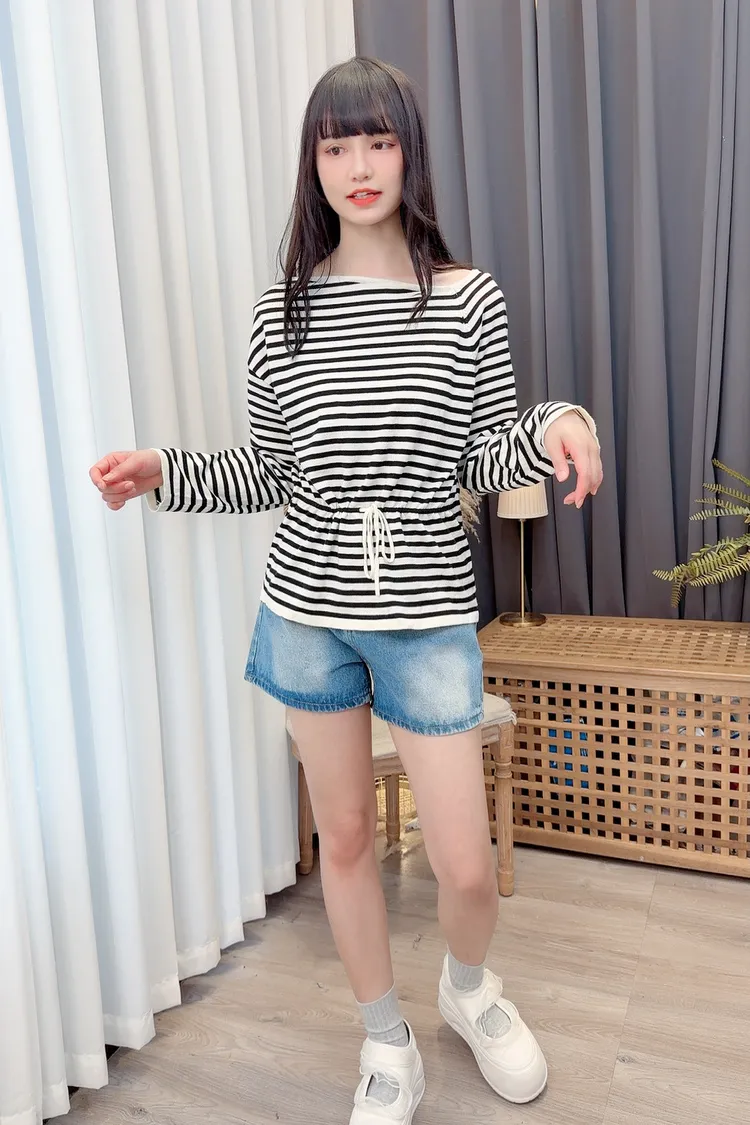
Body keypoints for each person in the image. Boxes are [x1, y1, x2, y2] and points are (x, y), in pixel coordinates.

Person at [91, 56, 602, 1125]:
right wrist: (163, 470)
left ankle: (469, 990)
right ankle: (385, 1042)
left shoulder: (467, 298)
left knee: (464, 866)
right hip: (308, 618)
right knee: (352, 840)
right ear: (313, 164)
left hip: (426, 620)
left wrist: (561, 421)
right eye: (336, 145)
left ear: (409, 153)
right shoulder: (281, 311)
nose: (358, 164)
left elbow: (481, 454)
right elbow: (270, 471)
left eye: (377, 140)